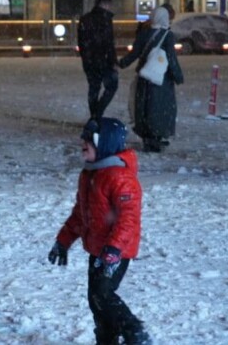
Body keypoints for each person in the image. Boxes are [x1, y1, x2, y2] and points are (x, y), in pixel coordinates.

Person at [48, 117, 151, 345]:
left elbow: (128, 219)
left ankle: (135, 332)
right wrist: (63, 241)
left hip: (117, 251)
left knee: (102, 294)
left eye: (89, 142)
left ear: (104, 145)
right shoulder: (89, 175)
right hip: (97, 249)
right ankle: (107, 339)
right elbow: (79, 216)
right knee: (95, 299)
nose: (83, 146)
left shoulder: (120, 178)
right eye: (83, 141)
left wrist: (114, 248)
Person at [119, 6, 184, 152]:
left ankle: (147, 137)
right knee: (160, 108)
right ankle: (157, 137)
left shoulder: (144, 34)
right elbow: (171, 58)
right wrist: (178, 76)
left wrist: (121, 63)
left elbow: (134, 54)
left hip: (145, 76)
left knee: (144, 108)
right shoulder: (167, 35)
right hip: (161, 78)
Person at [77, 0, 119, 120]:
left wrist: (86, 58)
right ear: (105, 5)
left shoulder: (85, 19)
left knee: (94, 88)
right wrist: (113, 61)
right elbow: (109, 43)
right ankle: (97, 114)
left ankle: (94, 115)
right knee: (111, 87)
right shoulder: (105, 19)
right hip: (104, 60)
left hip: (89, 61)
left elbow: (82, 42)